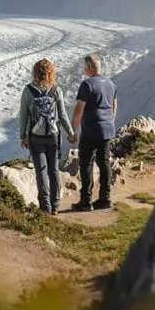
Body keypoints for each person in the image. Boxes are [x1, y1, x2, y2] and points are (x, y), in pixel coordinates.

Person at [18, 58, 75, 214]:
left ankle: (45, 207)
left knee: (41, 171)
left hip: (35, 137)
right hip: (53, 135)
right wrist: (70, 133)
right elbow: (62, 115)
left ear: (35, 72)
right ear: (51, 73)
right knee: (54, 170)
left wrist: (22, 135)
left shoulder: (28, 90)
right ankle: (55, 204)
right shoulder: (56, 90)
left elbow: (23, 115)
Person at [69, 53, 117, 212]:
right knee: (104, 162)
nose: (84, 69)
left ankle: (85, 201)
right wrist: (109, 122)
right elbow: (113, 106)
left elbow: (78, 110)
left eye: (85, 66)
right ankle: (105, 199)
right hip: (107, 129)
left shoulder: (87, 84)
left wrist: (72, 130)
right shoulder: (111, 84)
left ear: (89, 67)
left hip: (91, 130)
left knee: (86, 163)